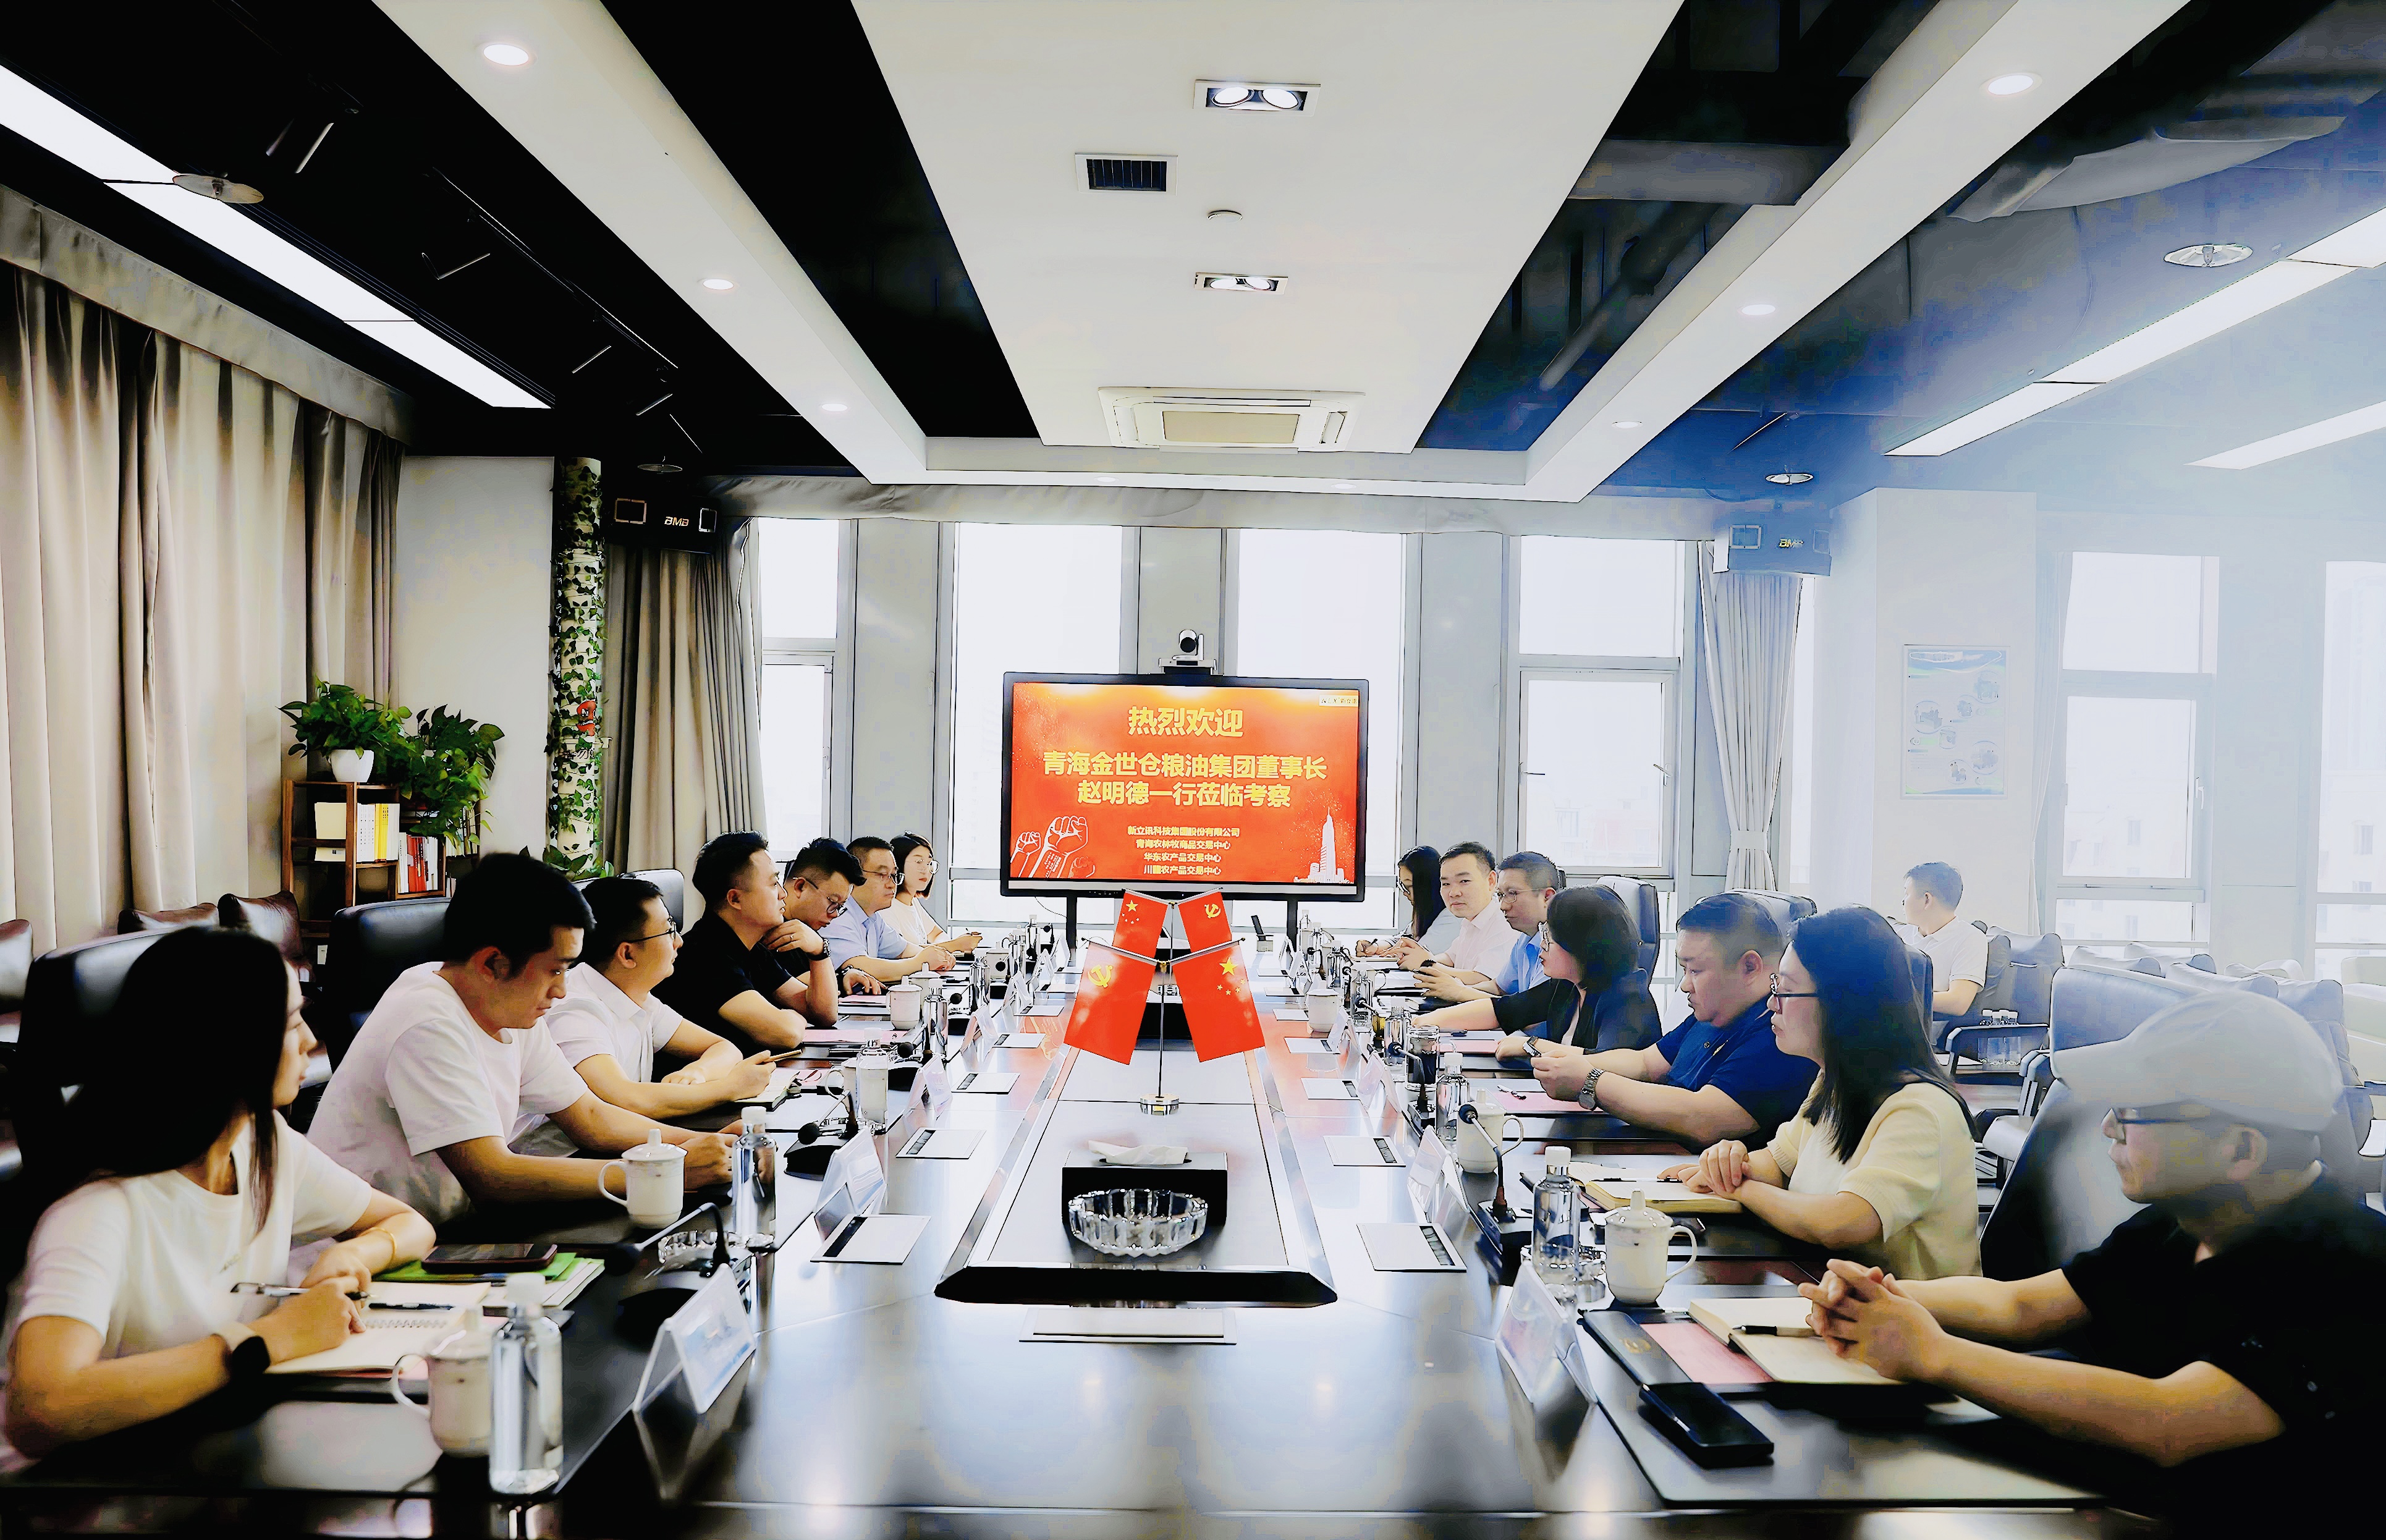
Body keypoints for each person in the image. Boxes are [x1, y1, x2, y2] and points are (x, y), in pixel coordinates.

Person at [1801, 992, 2386, 1519]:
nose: (2107, 1127)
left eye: (2133, 1112)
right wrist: (1882, 1297)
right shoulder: (2182, 1223)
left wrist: (1933, 1354)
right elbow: (2022, 1306)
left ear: (2240, 1149)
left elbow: (2168, 1421)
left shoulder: (2349, 1269)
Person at [4, 928, 436, 1454]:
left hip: (208, 1448)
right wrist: (267, 1341)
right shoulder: (100, 1209)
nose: (309, 1040)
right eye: (292, 1022)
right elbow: (42, 1408)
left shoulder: (261, 1144)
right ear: (231, 1045)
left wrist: (351, 1255)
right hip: (77, 1485)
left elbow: (410, 1225)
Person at [311, 855, 734, 1224]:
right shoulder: (427, 1022)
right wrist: (660, 1172)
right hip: (359, 1255)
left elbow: (591, 1118)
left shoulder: (509, 1007)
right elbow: (493, 1177)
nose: (563, 990)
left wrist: (702, 1146)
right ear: (493, 964)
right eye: (555, 970)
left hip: (445, 1232)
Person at [1662, 907, 1979, 1279]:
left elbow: (1844, 1222)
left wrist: (1741, 1189)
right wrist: (1729, 1164)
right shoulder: (1834, 1083)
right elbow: (1779, 1164)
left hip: (1913, 1312)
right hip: (1830, 1290)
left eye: (1786, 990)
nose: (1771, 1003)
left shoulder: (1919, 1109)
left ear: (1843, 1004)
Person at [1529, 892, 1817, 1149]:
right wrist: (1572, 1064)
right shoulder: (1717, 1013)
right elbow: (1646, 1063)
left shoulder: (1778, 1032)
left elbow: (1704, 1118)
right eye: (1684, 969)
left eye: (1696, 971)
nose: (1684, 985)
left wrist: (1591, 1081)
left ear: (1750, 966)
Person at [531, 877, 774, 1135]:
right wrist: (729, 1088)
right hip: (563, 1155)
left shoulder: (635, 995)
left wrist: (698, 1073)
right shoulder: (575, 1011)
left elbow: (723, 1048)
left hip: (621, 1143)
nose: (679, 941)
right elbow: (623, 1099)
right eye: (669, 931)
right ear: (627, 954)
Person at [656, 832, 853, 1051]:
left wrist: (819, 951)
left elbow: (824, 1014)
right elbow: (785, 1033)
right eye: (773, 884)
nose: (783, 893)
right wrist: (794, 1017)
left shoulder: (753, 949)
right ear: (735, 899)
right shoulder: (704, 956)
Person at [1420, 885, 1658, 1054]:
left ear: (1582, 947)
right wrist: (1423, 1024)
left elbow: (1607, 1064)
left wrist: (1532, 1046)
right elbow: (1503, 1010)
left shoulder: (1627, 999)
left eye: (1550, 937)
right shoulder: (1568, 986)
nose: (1542, 945)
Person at [1417, 851, 1561, 1003]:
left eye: (1512, 894)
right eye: (1501, 895)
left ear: (1547, 897)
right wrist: (1455, 988)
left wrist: (1460, 991)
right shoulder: (1525, 938)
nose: (1503, 906)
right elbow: (1498, 987)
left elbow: (1529, 1010)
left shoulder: (1558, 947)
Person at [824, 836, 955, 992]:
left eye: (894, 875)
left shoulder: (873, 918)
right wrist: (919, 962)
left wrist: (938, 956)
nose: (892, 884)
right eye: (882, 875)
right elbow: (858, 966)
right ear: (854, 875)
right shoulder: (838, 915)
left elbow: (904, 950)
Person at [1397, 844, 1520, 996]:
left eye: (1464, 881)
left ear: (1491, 881)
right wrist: (1420, 956)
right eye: (1446, 884)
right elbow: (1451, 958)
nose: (1453, 893)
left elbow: (1483, 979)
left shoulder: (1504, 923)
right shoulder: (1471, 919)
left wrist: (1427, 964)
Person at [1896, 861, 1987, 1018]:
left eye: (1907, 894)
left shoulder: (1970, 939)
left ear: (1927, 900)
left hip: (1922, 1025)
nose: (1903, 901)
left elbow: (1958, 1002)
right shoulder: (1900, 934)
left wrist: (1896, 998)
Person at [886, 834, 981, 958]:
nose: (926, 870)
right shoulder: (887, 907)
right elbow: (901, 953)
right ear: (898, 864)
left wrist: (947, 947)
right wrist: (955, 945)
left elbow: (937, 934)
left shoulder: (913, 902)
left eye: (929, 863)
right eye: (919, 862)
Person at [1359, 846, 1457, 958]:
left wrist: (1391, 952)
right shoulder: (1427, 915)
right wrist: (1375, 947)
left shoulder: (1451, 918)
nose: (1405, 893)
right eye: (1403, 886)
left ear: (1427, 886)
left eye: (1409, 886)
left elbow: (1414, 955)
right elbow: (1402, 939)